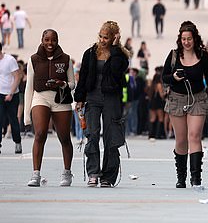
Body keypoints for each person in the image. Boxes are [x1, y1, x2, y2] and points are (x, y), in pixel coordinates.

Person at [162, 21, 208, 188]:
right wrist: (173, 78)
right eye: (183, 39)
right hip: (177, 98)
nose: (186, 42)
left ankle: (196, 178)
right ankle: (181, 177)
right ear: (180, 39)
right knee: (181, 139)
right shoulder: (174, 55)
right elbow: (164, 77)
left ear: (195, 39)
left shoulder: (203, 56)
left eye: (189, 39)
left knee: (194, 136)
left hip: (198, 99)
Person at [74, 21, 131, 187]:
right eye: (101, 36)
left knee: (111, 137)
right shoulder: (90, 53)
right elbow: (83, 77)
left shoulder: (120, 55)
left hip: (111, 98)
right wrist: (80, 98)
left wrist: (114, 49)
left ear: (114, 38)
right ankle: (93, 172)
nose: (102, 40)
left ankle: (108, 176)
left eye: (106, 37)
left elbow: (115, 72)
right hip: (92, 98)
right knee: (91, 134)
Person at [24, 29, 74, 187]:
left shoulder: (66, 59)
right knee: (39, 134)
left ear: (57, 41)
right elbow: (28, 87)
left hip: (61, 99)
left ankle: (67, 173)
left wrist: (63, 84)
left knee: (64, 138)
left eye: (53, 40)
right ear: (42, 40)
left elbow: (72, 83)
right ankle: (35, 174)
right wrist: (26, 114)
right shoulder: (33, 59)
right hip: (41, 97)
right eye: (47, 40)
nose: (50, 43)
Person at [0, 42, 22, 154]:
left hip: (12, 94)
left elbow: (17, 77)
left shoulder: (9, 60)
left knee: (13, 119)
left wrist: (11, 93)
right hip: (0, 94)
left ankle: (17, 142)